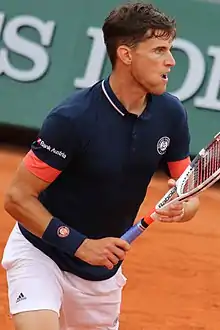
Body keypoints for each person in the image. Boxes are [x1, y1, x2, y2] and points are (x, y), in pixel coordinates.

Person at [1, 2, 200, 330]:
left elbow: (189, 190)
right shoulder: (72, 119)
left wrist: (184, 207)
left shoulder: (171, 115)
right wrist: (80, 244)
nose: (171, 61)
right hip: (42, 253)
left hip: (100, 277)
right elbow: (17, 198)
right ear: (126, 55)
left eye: (171, 49)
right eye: (160, 50)